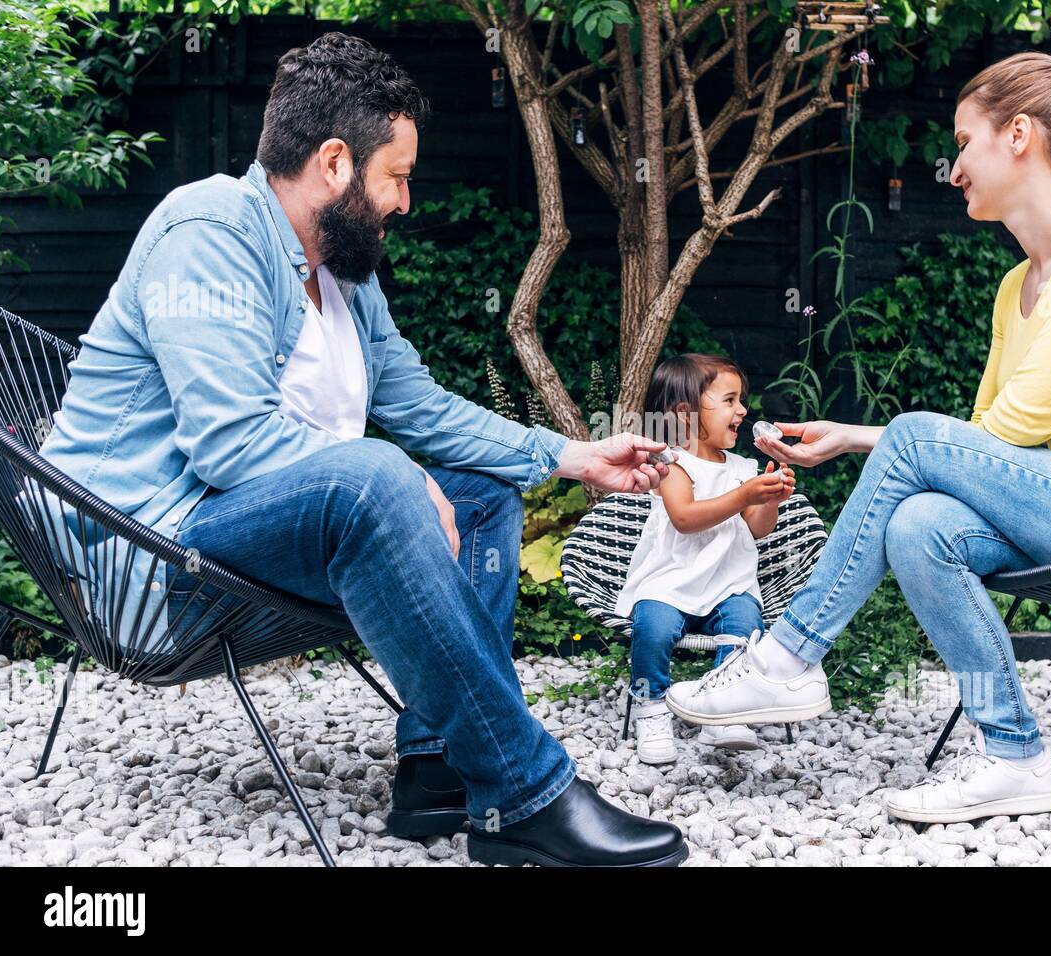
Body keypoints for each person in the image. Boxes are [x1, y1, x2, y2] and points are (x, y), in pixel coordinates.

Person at [37, 32, 687, 867]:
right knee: (378, 477)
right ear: (336, 163)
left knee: (482, 493)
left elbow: (415, 404)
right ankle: (527, 793)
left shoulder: (344, 275)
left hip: (238, 542)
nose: (405, 201)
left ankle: (438, 769)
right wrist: (404, 481)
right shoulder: (206, 230)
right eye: (399, 177)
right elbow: (230, 444)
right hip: (149, 565)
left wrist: (573, 456)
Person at [664, 49, 1051, 826]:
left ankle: (789, 654)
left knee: (915, 452)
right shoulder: (1017, 287)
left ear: (1017, 136)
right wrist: (853, 438)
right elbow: (984, 446)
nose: (952, 167)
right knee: (921, 526)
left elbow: (1015, 430)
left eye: (963, 142)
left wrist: (880, 441)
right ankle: (1012, 754)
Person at [614, 353, 794, 763]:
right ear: (686, 412)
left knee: (745, 627)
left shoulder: (743, 468)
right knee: (654, 629)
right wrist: (744, 495)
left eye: (741, 400)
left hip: (728, 583)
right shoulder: (672, 464)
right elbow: (685, 519)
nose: (743, 410)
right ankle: (651, 708)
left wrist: (769, 498)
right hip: (670, 581)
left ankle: (725, 710)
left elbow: (757, 528)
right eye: (730, 400)